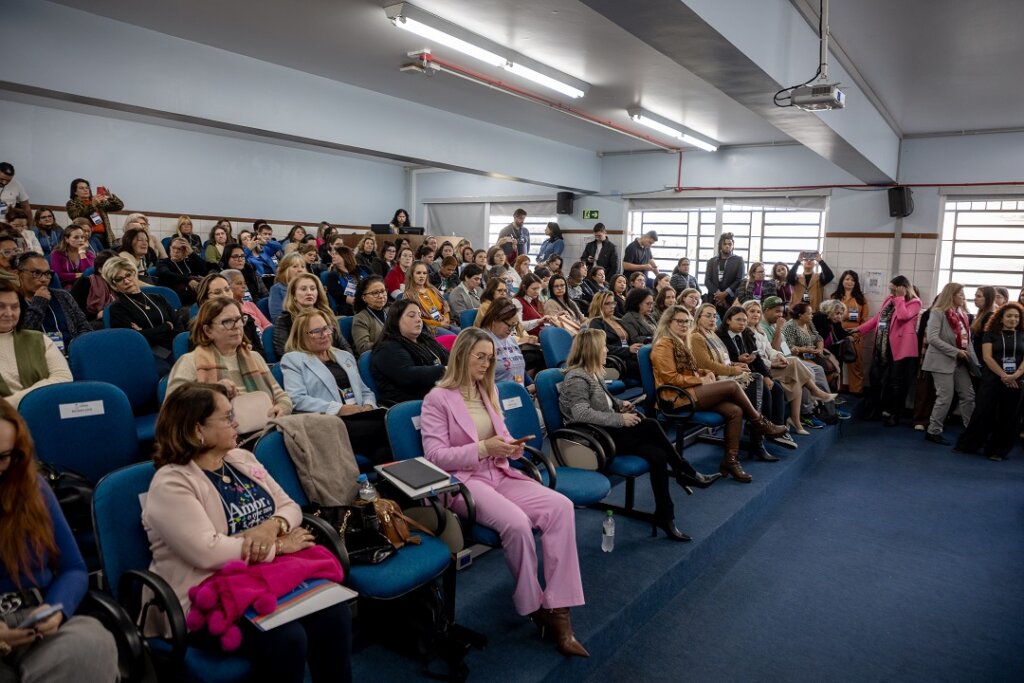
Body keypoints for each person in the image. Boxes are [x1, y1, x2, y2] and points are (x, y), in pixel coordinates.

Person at [144, 382, 351, 682]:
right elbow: (208, 551)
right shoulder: (172, 482)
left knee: (334, 614)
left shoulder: (241, 459)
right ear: (196, 429)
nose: (237, 423)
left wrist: (271, 527)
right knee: (287, 639)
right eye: (227, 417)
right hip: (207, 595)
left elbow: (290, 507)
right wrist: (279, 546)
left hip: (263, 577)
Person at [421, 328, 587, 657]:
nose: (486, 363)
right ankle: (532, 604)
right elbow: (435, 457)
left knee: (561, 507)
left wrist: (510, 448)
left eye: (490, 357)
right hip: (465, 482)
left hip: (500, 471)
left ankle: (559, 607)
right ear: (461, 356)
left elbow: (503, 437)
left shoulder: (489, 392)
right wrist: (483, 447)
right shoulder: (437, 398)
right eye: (479, 356)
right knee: (517, 524)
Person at [0, 401, 118, 683]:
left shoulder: (32, 489)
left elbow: (73, 568)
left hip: (35, 617)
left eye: (5, 457)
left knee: (90, 643)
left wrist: (57, 609)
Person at [561, 328, 718, 540]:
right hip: (594, 440)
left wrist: (620, 404)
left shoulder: (592, 373)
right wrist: (620, 418)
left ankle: (665, 515)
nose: (607, 350)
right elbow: (580, 413)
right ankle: (684, 470)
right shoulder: (577, 377)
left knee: (658, 455)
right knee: (650, 425)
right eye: (604, 346)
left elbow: (601, 402)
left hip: (607, 431)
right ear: (592, 349)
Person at [650, 306, 787, 484]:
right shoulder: (663, 344)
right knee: (731, 385)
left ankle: (730, 461)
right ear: (668, 323)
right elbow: (670, 378)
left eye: (687, 321)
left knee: (735, 411)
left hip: (689, 391)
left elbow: (691, 369)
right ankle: (760, 423)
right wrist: (701, 381)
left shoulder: (680, 341)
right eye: (680, 321)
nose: (684, 325)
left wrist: (705, 372)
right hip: (676, 398)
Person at [281, 310, 390, 464]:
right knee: (386, 427)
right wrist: (338, 409)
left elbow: (365, 390)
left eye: (326, 328)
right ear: (302, 335)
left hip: (360, 417)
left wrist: (368, 405)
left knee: (383, 445)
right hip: (329, 423)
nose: (325, 334)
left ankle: (384, 484)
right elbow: (296, 399)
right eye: (316, 331)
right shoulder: (293, 360)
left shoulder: (344, 356)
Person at [167, 299, 291, 427]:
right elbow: (173, 409)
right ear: (208, 330)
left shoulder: (255, 357)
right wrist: (213, 392)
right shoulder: (190, 361)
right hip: (216, 438)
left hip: (265, 429)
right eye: (227, 321)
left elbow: (281, 396)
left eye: (239, 319)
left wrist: (283, 407)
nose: (237, 325)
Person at [691, 303, 787, 461]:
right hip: (711, 382)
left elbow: (723, 360)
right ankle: (760, 433)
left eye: (714, 316)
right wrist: (733, 369)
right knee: (757, 381)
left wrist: (735, 365)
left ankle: (760, 436)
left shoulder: (711, 334)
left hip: (723, 376)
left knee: (763, 384)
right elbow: (706, 365)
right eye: (707, 315)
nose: (712, 319)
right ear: (698, 317)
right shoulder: (696, 336)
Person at [742, 300, 836, 436]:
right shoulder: (750, 331)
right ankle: (813, 399)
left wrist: (780, 356)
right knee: (799, 366)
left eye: (757, 312)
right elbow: (756, 357)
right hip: (763, 368)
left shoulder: (760, 330)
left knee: (797, 378)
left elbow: (772, 350)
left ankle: (797, 421)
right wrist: (777, 360)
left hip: (780, 360)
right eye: (752, 311)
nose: (780, 315)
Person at [716, 305, 792, 453]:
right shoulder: (720, 336)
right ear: (728, 321)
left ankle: (777, 427)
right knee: (764, 390)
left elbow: (757, 359)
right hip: (732, 375)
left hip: (751, 373)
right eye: (738, 320)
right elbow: (721, 361)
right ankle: (762, 432)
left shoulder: (747, 333)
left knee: (776, 388)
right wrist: (738, 359)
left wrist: (767, 376)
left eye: (744, 321)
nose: (742, 324)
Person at [954, 302, 1024, 461]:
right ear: (1001, 318)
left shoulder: (1023, 335)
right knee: (983, 412)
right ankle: (969, 444)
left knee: (1009, 416)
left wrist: (1015, 375)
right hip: (992, 379)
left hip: (1016, 381)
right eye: (1009, 316)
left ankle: (998, 450)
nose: (1013, 319)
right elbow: (987, 357)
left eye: (1016, 316)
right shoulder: (990, 334)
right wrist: (1004, 375)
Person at [855, 275, 922, 426]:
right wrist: (858, 330)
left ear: (903, 288)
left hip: (901, 348)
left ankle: (895, 414)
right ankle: (875, 410)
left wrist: (899, 298)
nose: (891, 292)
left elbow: (903, 316)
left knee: (896, 383)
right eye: (890, 289)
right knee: (874, 378)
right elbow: (877, 319)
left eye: (894, 289)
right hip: (882, 346)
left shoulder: (915, 302)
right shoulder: (889, 299)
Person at [0, 280, 73, 408]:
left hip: (43, 411)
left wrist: (12, 403)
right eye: (1, 306)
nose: (9, 313)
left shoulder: (38, 339)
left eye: (14, 307)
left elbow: (64, 378)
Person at [920, 283, 977, 446]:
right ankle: (933, 431)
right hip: (941, 360)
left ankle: (971, 430)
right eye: (960, 294)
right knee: (945, 397)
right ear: (951, 295)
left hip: (961, 361)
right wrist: (956, 351)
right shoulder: (937, 313)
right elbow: (932, 339)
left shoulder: (963, 314)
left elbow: (968, 341)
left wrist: (975, 363)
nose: (963, 297)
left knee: (968, 395)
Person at [370, 299, 449, 406]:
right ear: (396, 320)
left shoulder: (424, 339)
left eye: (419, 315)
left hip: (438, 393)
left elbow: (448, 357)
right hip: (411, 403)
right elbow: (408, 375)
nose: (418, 320)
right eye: (412, 316)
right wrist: (444, 370)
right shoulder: (387, 348)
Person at [14, 253, 91, 353]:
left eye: (47, 273)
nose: (43, 279)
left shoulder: (62, 296)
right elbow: (21, 337)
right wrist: (39, 303)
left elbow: (84, 327)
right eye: (36, 273)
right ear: (18, 274)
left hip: (72, 355)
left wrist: (78, 348)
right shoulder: (12, 303)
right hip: (37, 360)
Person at [272, 274, 349, 360]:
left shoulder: (326, 316)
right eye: (303, 289)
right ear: (294, 295)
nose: (309, 293)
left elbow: (344, 347)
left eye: (312, 289)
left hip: (333, 362)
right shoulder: (284, 320)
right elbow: (284, 353)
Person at [196, 273, 265, 354]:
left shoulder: (247, 319)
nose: (225, 295)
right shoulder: (200, 328)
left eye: (227, 289)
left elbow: (260, 354)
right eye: (217, 292)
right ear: (205, 300)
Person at [784, 302, 840, 389]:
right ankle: (824, 396)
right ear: (800, 315)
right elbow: (789, 347)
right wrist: (806, 350)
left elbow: (818, 338)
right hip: (798, 355)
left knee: (832, 366)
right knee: (820, 369)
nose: (812, 316)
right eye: (809, 314)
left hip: (813, 352)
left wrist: (820, 349)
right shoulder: (789, 326)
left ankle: (827, 391)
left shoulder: (809, 323)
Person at [587, 291, 640, 380]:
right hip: (614, 361)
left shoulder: (619, 321)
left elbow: (631, 339)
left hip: (629, 356)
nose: (612, 306)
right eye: (607, 304)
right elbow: (601, 348)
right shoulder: (596, 323)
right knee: (644, 365)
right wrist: (628, 350)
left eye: (613, 303)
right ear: (598, 305)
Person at [831, 270, 869, 393]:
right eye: (847, 279)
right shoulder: (834, 297)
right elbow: (829, 316)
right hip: (836, 334)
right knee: (836, 364)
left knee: (855, 365)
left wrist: (858, 334)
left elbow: (864, 320)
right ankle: (837, 391)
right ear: (842, 280)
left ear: (856, 283)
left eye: (853, 280)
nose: (849, 282)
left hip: (854, 335)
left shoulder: (860, 298)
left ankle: (856, 392)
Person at [65, 179, 123, 252]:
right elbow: (77, 216)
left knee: (108, 258)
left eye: (87, 188)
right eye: (81, 188)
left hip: (106, 236)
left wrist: (111, 197)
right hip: (89, 236)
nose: (85, 190)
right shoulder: (71, 203)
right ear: (75, 192)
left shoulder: (97, 200)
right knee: (97, 258)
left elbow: (119, 206)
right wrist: (93, 205)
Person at [157, 236, 212, 306]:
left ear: (186, 250)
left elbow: (206, 270)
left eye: (180, 249)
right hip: (174, 299)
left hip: (196, 298)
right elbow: (165, 274)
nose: (176, 251)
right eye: (173, 248)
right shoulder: (163, 262)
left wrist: (192, 254)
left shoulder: (190, 262)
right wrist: (188, 280)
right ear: (169, 248)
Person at [69, 250, 116, 327]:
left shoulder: (120, 282)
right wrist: (97, 315)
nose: (117, 269)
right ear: (100, 269)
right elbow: (73, 309)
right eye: (113, 266)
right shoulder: (86, 282)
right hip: (91, 321)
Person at [703, 232, 744, 314]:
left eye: (730, 244)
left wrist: (725, 293)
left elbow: (739, 279)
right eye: (725, 244)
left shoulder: (739, 260)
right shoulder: (712, 261)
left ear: (733, 246)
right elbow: (707, 281)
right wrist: (718, 294)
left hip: (730, 299)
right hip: (714, 299)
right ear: (720, 245)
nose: (727, 246)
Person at [351, 276, 388, 356]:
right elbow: (363, 348)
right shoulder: (360, 318)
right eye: (375, 293)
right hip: (378, 358)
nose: (381, 296)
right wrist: (389, 343)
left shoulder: (391, 310)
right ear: (364, 298)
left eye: (383, 291)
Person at [49, 224, 94, 289]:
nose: (80, 240)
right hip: (64, 287)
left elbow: (89, 273)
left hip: (85, 286)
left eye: (82, 237)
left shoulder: (89, 254)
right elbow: (58, 275)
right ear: (67, 239)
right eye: (76, 237)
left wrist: (81, 252)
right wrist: (78, 275)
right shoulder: (57, 253)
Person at [512, 274, 554, 338]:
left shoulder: (535, 301)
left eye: (539, 288)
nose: (537, 292)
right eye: (534, 289)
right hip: (530, 342)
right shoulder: (516, 301)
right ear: (524, 287)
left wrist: (555, 317)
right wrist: (538, 321)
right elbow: (518, 326)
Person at [268, 253, 307, 320]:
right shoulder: (277, 289)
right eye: (295, 266)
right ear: (285, 270)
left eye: (303, 267)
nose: (300, 270)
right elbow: (277, 318)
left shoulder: (311, 288)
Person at [323, 246, 359, 316]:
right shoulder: (332, 275)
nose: (333, 256)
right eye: (333, 254)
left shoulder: (355, 274)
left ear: (345, 256)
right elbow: (337, 295)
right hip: (344, 309)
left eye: (336, 254)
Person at [0, 162, 32, 228]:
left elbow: (26, 207)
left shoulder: (17, 185)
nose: (4, 182)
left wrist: (30, 226)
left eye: (8, 180)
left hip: (9, 226)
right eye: (2, 179)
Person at [971, 286, 997, 362]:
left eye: (979, 296)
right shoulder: (981, 313)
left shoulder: (989, 316)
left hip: (982, 359)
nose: (975, 299)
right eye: (975, 296)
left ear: (988, 299)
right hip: (978, 356)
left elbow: (987, 343)